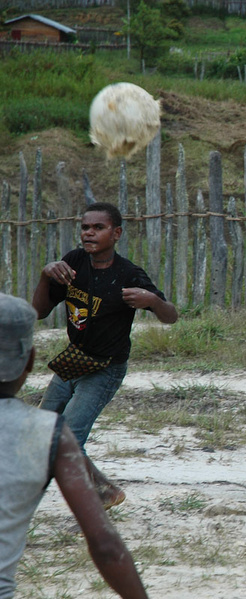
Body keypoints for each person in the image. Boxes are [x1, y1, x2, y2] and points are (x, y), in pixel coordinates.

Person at [0, 293, 149, 599]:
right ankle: (105, 490)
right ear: (29, 360)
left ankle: (106, 489)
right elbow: (106, 546)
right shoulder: (49, 432)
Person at [32, 202, 178, 508]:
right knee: (42, 433)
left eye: (98, 228)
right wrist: (46, 275)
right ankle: (102, 492)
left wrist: (152, 299)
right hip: (73, 363)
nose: (89, 233)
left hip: (104, 368)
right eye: (85, 227)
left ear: (117, 233)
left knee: (67, 440)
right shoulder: (73, 263)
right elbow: (39, 312)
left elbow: (170, 316)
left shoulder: (128, 274)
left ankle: (96, 501)